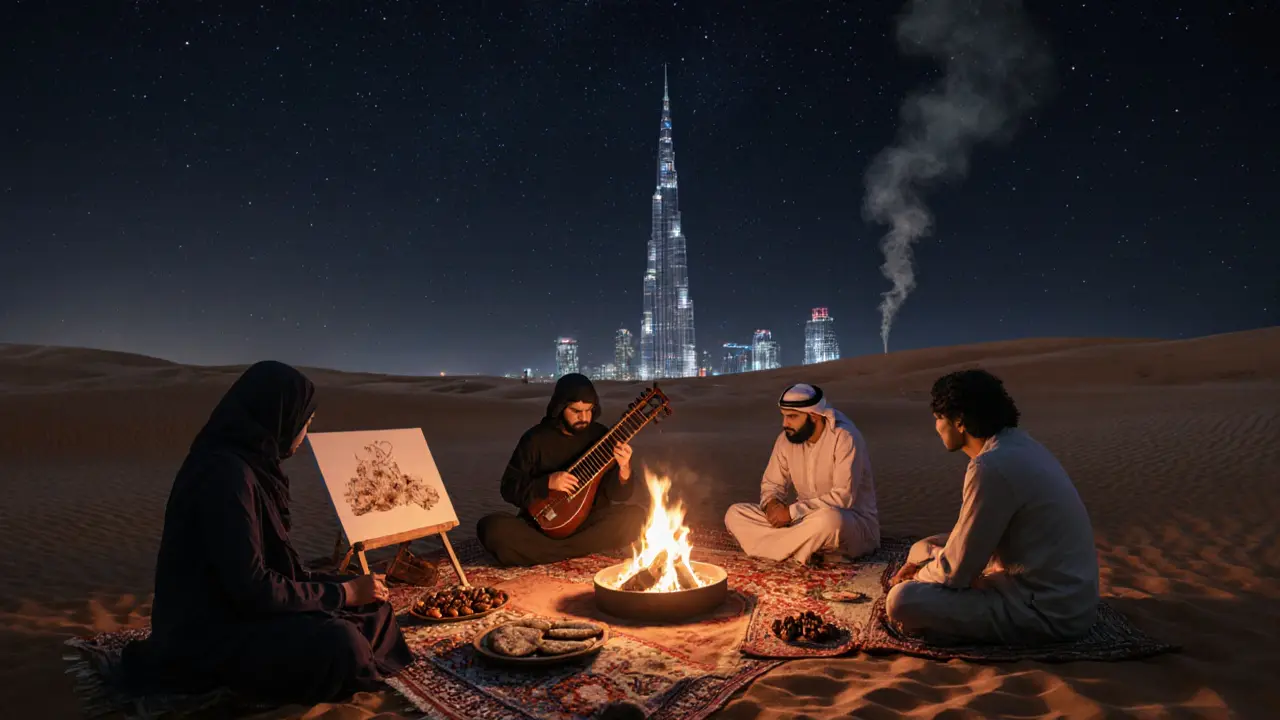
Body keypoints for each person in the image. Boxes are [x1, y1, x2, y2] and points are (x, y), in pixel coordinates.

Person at [119, 361, 413, 704]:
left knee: (376, 611)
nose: (305, 434)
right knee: (340, 643)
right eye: (306, 423)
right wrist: (344, 593)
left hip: (249, 610)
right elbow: (253, 589)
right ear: (279, 416)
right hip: (213, 630)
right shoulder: (225, 475)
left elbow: (276, 574)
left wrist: (345, 589)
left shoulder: (251, 466)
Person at [885, 369, 1100, 645]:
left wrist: (917, 577)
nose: (936, 427)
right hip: (1064, 599)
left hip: (1047, 612)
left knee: (902, 602)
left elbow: (958, 571)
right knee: (922, 547)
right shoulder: (1021, 446)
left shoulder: (991, 466)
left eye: (939, 418)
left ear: (959, 421)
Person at [476, 373, 646, 566]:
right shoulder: (535, 440)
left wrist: (624, 469)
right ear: (559, 407)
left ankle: (549, 554)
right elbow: (509, 488)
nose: (584, 417)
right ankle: (572, 551)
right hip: (543, 528)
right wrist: (547, 483)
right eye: (576, 411)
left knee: (635, 517)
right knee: (491, 529)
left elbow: (618, 495)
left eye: (589, 411)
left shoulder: (601, 436)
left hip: (589, 524)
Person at [724, 383, 880, 565]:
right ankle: (802, 550)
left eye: (792, 417)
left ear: (814, 416)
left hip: (852, 524)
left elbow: (843, 497)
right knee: (735, 514)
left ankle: (780, 549)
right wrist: (772, 505)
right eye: (783, 416)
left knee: (830, 521)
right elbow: (772, 484)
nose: (785, 424)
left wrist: (790, 513)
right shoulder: (786, 440)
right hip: (803, 523)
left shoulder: (845, 438)